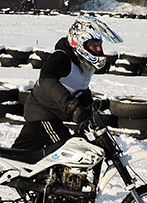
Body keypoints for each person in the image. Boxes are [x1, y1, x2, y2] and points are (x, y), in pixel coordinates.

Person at [12, 15, 122, 150]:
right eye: (94, 45)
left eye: (99, 45)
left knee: (21, 153)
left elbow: (78, 86)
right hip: (42, 113)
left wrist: (88, 106)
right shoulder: (61, 57)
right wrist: (70, 105)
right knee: (69, 151)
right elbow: (46, 80)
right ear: (80, 43)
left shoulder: (83, 63)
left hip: (52, 115)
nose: (99, 49)